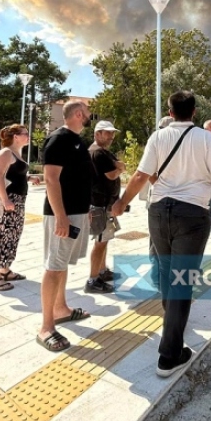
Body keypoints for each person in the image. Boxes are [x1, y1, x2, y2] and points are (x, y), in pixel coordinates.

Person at [112, 90, 211, 378]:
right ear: (194, 112)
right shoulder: (205, 138)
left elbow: (140, 175)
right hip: (192, 215)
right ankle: (169, 355)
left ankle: (172, 327)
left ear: (170, 113)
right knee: (182, 280)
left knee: (169, 274)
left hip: (158, 213)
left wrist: (122, 202)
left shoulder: (157, 138)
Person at [37, 99, 95, 353]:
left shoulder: (77, 140)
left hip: (77, 212)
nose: (90, 117)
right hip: (64, 214)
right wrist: (61, 216)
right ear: (80, 114)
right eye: (89, 113)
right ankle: (46, 327)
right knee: (54, 266)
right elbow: (51, 179)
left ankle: (61, 309)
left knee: (62, 265)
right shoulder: (59, 139)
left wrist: (87, 209)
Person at [0, 124, 34, 292]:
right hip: (5, 202)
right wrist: (5, 200)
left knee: (12, 236)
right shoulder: (5, 152)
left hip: (17, 201)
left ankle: (5, 270)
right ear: (16, 136)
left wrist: (29, 178)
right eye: (25, 133)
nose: (29, 136)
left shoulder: (16, 154)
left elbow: (13, 175)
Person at [86, 120, 125, 294]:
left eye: (112, 133)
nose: (111, 136)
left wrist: (118, 166)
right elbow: (111, 175)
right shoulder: (98, 153)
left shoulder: (101, 152)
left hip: (104, 204)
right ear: (97, 134)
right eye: (107, 133)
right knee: (100, 242)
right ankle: (93, 280)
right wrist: (120, 168)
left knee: (104, 239)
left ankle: (102, 271)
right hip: (99, 205)